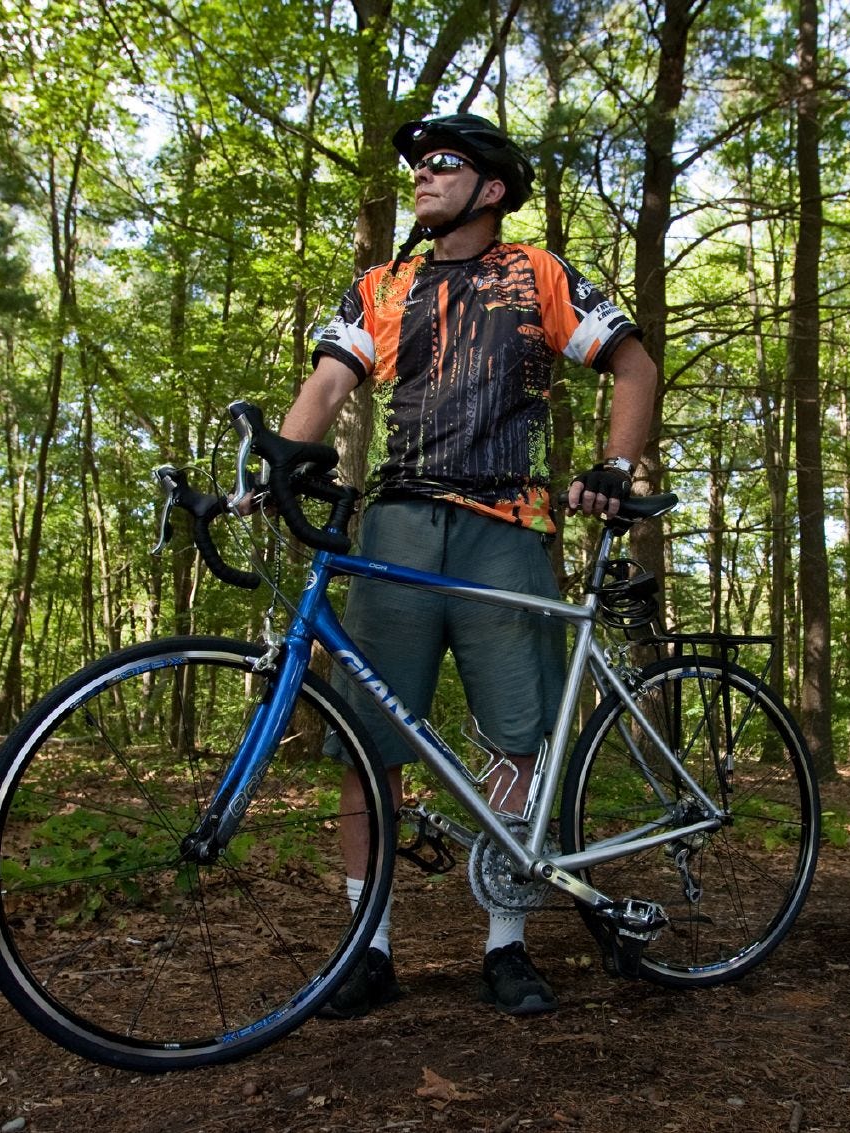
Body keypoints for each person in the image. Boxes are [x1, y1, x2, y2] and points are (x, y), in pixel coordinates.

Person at [281, 112, 658, 1018]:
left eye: (441, 164)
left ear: (489, 187)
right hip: (399, 529)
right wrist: (276, 468)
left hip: (509, 525)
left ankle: (508, 942)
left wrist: (617, 464)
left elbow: (634, 363)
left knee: (519, 735)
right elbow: (330, 383)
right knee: (370, 743)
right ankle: (366, 950)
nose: (420, 175)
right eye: (415, 163)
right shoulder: (383, 282)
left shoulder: (538, 273)